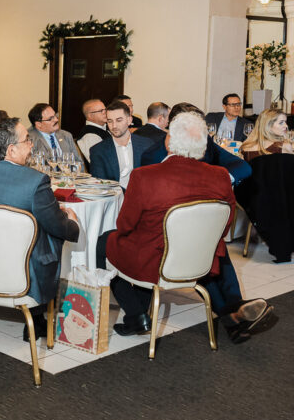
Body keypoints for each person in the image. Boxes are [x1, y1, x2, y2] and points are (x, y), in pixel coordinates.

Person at [97, 112, 272, 342]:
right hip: (199, 259)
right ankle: (232, 317)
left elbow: (125, 225)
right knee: (211, 247)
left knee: (104, 241)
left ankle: (136, 315)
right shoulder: (220, 176)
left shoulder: (144, 176)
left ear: (169, 141)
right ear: (203, 145)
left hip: (155, 262)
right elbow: (224, 225)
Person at [0, 118, 80, 340]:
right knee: (48, 234)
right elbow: (57, 226)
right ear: (11, 150)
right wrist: (72, 223)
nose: (31, 145)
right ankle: (38, 317)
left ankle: (35, 320)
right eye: (27, 140)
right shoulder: (35, 181)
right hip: (25, 276)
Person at [140, 103, 252, 183]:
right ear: (174, 126)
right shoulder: (151, 156)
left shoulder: (205, 141)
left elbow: (242, 166)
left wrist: (217, 181)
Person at [87, 100, 152, 188]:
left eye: (119, 120)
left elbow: (152, 178)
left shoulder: (147, 144)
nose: (114, 126)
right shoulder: (98, 151)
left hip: (142, 194)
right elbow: (100, 186)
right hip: (114, 195)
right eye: (110, 121)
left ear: (129, 120)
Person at [76, 98, 110, 163]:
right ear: (90, 115)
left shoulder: (106, 128)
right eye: (101, 111)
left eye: (105, 109)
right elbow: (98, 161)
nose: (105, 112)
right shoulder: (90, 135)